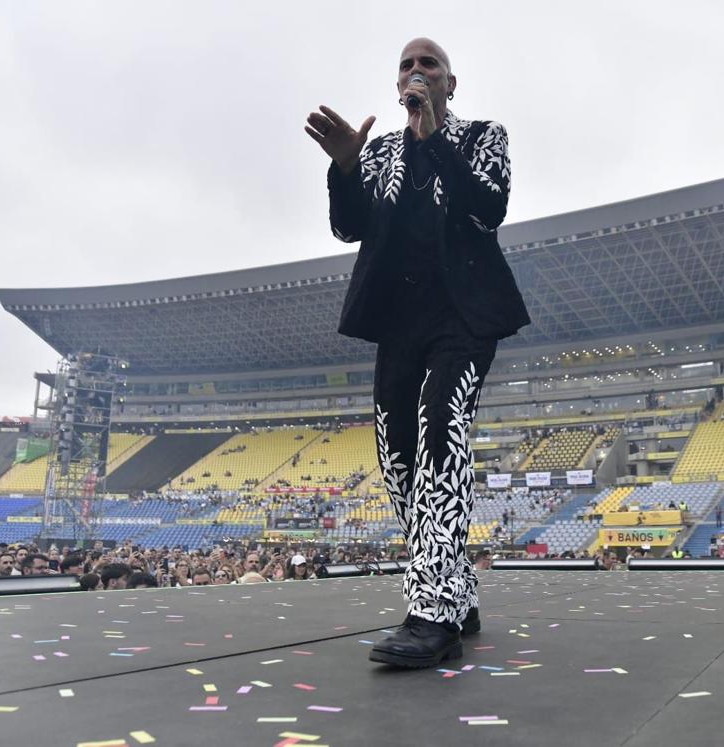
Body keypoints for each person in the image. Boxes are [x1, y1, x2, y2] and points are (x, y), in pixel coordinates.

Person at [308, 37, 529, 669]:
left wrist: (434, 141)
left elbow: (489, 209)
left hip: (462, 317)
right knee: (397, 460)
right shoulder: (378, 153)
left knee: (441, 431)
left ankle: (432, 614)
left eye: (427, 64)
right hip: (398, 323)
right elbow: (351, 227)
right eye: (406, 65)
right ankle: (456, 589)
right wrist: (347, 167)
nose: (416, 72)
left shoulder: (484, 135)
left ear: (450, 85)